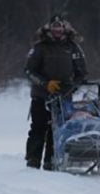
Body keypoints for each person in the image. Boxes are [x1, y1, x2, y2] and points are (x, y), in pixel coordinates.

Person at [24, 14, 87, 170]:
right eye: (54, 26)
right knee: (38, 128)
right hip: (41, 95)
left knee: (58, 130)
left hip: (64, 97)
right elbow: (28, 71)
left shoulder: (73, 47)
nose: (57, 29)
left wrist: (71, 87)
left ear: (65, 28)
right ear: (49, 28)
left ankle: (51, 161)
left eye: (60, 26)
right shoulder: (40, 47)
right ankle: (33, 161)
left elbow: (82, 73)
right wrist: (46, 84)